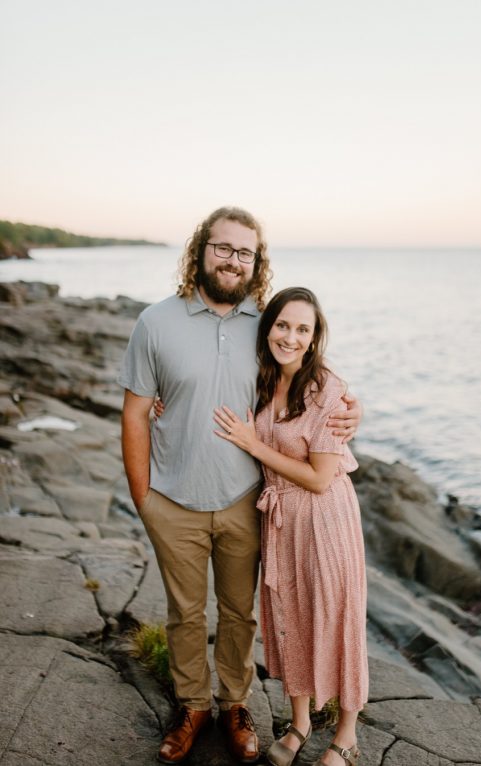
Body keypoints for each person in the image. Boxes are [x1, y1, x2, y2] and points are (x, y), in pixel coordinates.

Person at [119, 207, 362, 764]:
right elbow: (134, 414)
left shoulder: (266, 322)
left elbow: (313, 375)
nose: (232, 260)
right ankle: (191, 706)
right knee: (184, 614)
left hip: (247, 502)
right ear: (200, 251)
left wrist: (354, 410)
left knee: (239, 613)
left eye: (244, 252)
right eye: (222, 248)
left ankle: (234, 704)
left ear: (257, 262)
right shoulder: (156, 323)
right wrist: (143, 498)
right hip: (172, 499)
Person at [212, 286, 367, 766]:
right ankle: (299, 722)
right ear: (268, 326)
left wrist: (255, 446)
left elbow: (322, 479)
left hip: (325, 519)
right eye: (283, 325)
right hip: (281, 522)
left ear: (316, 336)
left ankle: (346, 734)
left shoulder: (326, 391)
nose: (291, 337)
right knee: (289, 619)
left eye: (303, 329)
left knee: (336, 618)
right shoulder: (261, 378)